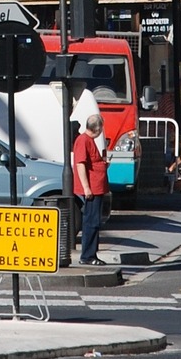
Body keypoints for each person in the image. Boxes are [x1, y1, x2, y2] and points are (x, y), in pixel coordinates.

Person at [73, 113, 109, 266]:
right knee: (91, 222)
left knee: (94, 221)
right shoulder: (83, 141)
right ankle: (87, 256)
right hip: (92, 190)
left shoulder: (89, 140)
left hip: (97, 188)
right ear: (98, 128)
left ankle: (91, 254)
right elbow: (81, 164)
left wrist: (103, 165)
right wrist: (87, 188)